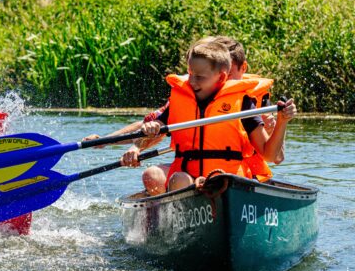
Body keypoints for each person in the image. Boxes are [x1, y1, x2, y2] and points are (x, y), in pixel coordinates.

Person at [84, 36, 283, 194]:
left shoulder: (255, 102)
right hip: (193, 170)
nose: (223, 82)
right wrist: (114, 142)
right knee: (155, 176)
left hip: (241, 175)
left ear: (240, 69)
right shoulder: (191, 93)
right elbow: (153, 126)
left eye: (228, 73)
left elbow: (276, 156)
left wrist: (275, 127)